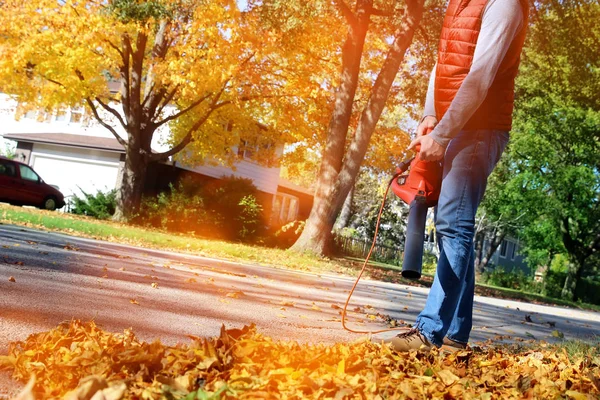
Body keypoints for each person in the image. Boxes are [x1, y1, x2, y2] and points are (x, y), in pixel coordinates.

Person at [391, 0, 529, 352]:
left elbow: (480, 75)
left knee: (453, 223)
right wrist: (428, 117)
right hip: (454, 124)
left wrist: (442, 134)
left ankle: (430, 332)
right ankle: (455, 335)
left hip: (481, 128)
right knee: (453, 225)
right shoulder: (458, 2)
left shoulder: (505, 5)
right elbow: (444, 61)